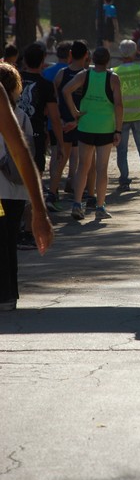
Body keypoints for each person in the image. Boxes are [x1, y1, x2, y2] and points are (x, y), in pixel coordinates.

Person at [0, 75, 53, 311]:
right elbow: (26, 153)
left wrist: (40, 212)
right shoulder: (19, 114)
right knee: (7, 240)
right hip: (14, 191)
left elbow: (23, 153)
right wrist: (38, 210)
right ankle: (8, 295)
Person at [62, 47, 123, 220]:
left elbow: (66, 90)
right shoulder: (113, 78)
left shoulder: (84, 75)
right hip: (105, 128)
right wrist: (118, 129)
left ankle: (76, 204)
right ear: (108, 61)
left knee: (83, 166)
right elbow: (118, 105)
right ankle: (100, 207)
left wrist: (74, 111)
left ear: (92, 60)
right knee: (102, 169)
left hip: (85, 127)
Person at [17, 42, 64, 248]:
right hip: (34, 139)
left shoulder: (12, 79)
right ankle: (27, 230)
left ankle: (13, 224)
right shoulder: (45, 85)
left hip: (9, 137)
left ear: (24, 60)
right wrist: (60, 144)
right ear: (43, 60)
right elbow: (54, 117)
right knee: (31, 185)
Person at [46, 40, 91, 211]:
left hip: (65, 123)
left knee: (61, 160)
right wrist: (76, 121)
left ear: (71, 54)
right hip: (81, 124)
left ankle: (52, 194)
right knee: (84, 163)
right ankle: (84, 198)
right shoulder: (88, 76)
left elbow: (55, 102)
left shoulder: (61, 75)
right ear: (86, 55)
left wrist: (63, 121)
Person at [113, 39, 140, 192]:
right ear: (134, 52)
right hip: (139, 114)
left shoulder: (115, 71)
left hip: (121, 116)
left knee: (122, 151)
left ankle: (124, 181)